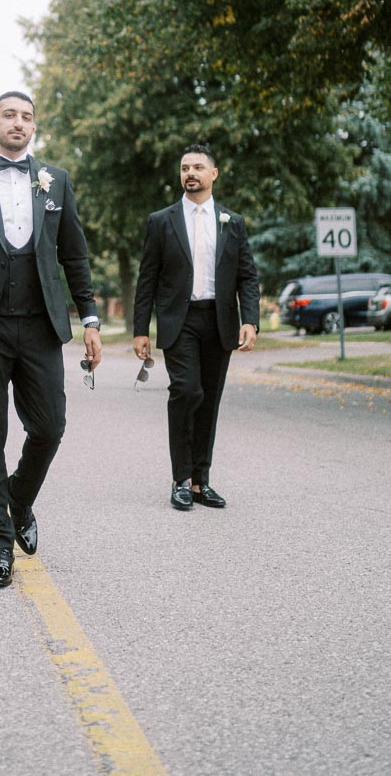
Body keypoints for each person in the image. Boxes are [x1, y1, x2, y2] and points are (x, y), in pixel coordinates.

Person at [0, 91, 102, 589]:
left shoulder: (57, 181)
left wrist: (90, 318)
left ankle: (18, 499)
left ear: (34, 127)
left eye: (27, 117)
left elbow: (75, 256)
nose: (19, 123)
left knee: (49, 426)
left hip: (41, 325)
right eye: (10, 115)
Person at [132, 143, 259, 511]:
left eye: (198, 167)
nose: (190, 173)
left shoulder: (232, 222)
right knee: (186, 391)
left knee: (209, 399)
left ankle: (202, 481)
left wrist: (250, 319)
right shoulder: (161, 221)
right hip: (179, 321)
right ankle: (181, 479)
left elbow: (247, 276)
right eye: (185, 167)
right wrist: (141, 329)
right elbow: (147, 279)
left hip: (219, 321)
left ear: (213, 174)